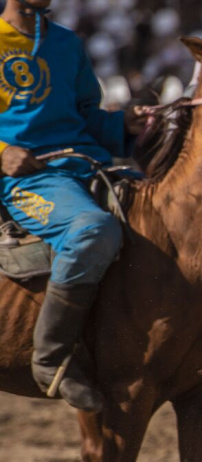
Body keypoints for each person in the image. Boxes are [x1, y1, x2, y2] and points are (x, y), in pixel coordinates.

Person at [0, 0, 147, 411]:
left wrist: (124, 125)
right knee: (92, 230)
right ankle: (51, 357)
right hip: (29, 179)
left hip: (89, 166)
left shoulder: (65, 42)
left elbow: (86, 117)